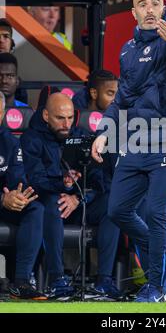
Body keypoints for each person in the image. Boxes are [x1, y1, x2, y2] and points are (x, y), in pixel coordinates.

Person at [92, 0, 166, 302]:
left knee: (155, 211)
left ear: (164, 8)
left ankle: (156, 284)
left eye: (156, 3)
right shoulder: (127, 50)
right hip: (137, 142)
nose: (150, 9)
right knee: (118, 210)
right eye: (142, 4)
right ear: (133, 13)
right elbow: (123, 97)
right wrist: (105, 131)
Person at [21, 93, 122, 299]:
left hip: (80, 205)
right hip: (51, 205)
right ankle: (57, 280)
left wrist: (79, 198)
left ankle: (103, 281)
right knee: (51, 201)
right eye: (60, 118)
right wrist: (62, 183)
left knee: (113, 204)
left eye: (69, 118)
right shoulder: (31, 138)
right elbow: (35, 181)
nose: (66, 124)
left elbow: (100, 182)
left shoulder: (83, 136)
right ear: (46, 115)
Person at [0, 91, 46, 300]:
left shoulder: (9, 141)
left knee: (35, 208)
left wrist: (18, 196)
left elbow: (17, 177)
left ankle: (21, 282)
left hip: (4, 204)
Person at [0, 19, 27, 104]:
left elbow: (22, 113)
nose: (1, 40)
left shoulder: (19, 87)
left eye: (6, 36)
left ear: (12, 43)